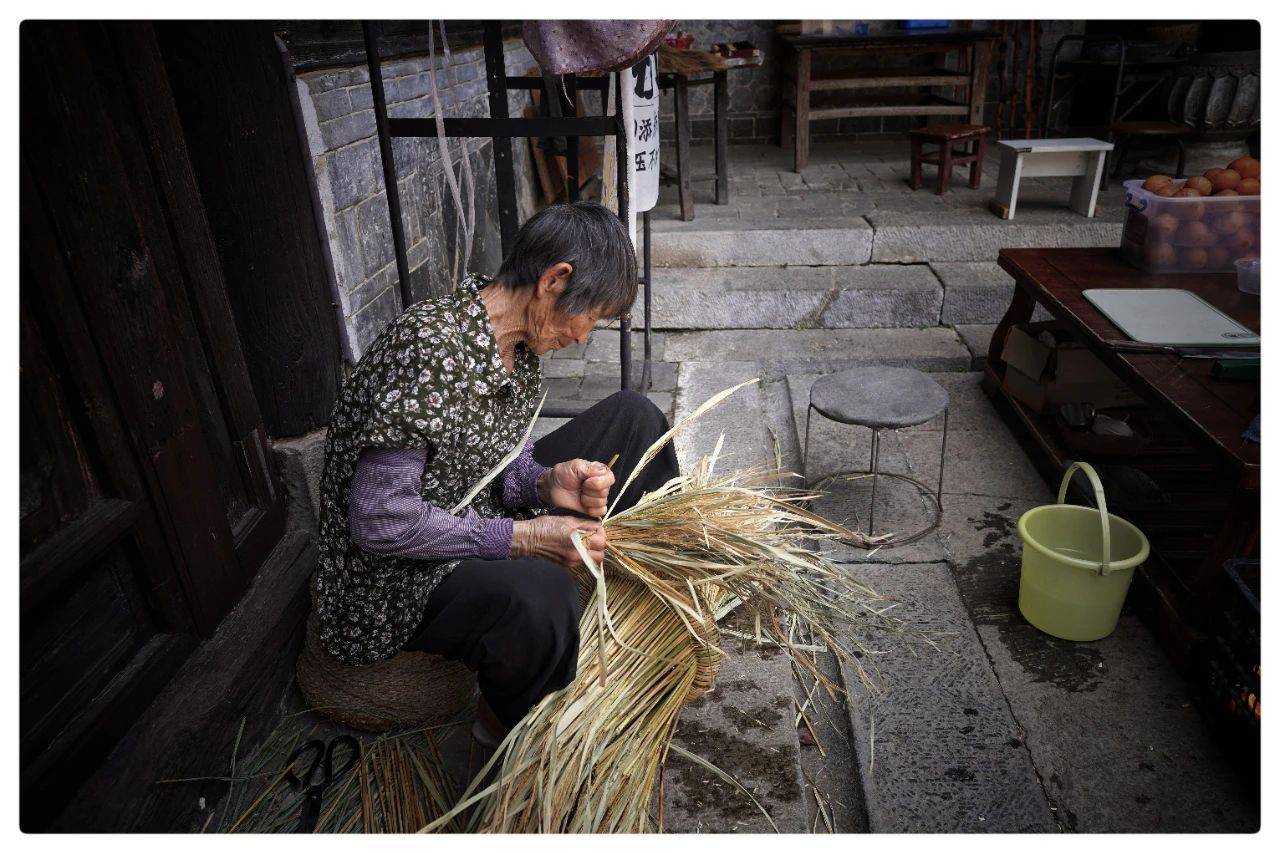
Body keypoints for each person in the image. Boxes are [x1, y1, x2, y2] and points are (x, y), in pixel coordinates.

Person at [313, 201, 679, 747]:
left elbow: (498, 463)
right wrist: (524, 538)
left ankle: (641, 594)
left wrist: (545, 481)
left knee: (637, 417)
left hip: (471, 510)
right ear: (555, 281)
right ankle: (505, 731)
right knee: (543, 596)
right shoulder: (431, 347)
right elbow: (380, 522)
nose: (583, 338)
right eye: (592, 318)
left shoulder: (518, 344)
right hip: (396, 575)